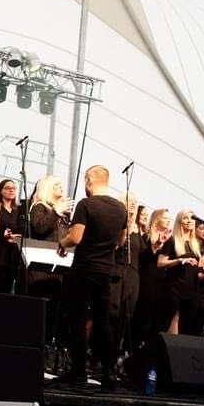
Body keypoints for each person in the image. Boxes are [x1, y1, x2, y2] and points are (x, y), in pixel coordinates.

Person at [57, 165, 128, 386]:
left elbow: (76, 237)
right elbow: (121, 241)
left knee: (78, 319)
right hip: (105, 270)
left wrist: (62, 242)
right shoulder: (121, 209)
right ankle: (109, 372)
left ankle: (78, 372)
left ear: (89, 180)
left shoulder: (86, 204)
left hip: (84, 268)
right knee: (102, 319)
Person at [24, 175, 72, 340]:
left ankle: (48, 344)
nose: (61, 186)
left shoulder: (63, 215)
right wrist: (56, 212)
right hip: (41, 271)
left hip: (57, 269)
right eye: (56, 184)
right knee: (39, 311)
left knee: (54, 313)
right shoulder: (39, 207)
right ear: (47, 188)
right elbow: (40, 228)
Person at [157, 209, 204, 336]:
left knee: (187, 328)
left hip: (191, 290)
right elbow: (160, 263)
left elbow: (194, 272)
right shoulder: (173, 240)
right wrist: (180, 260)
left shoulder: (195, 245)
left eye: (191, 218)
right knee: (164, 324)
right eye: (185, 218)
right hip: (174, 288)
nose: (189, 221)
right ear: (180, 221)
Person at [107, 192, 143, 354]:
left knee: (126, 316)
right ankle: (99, 354)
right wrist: (125, 226)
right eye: (130, 201)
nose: (133, 204)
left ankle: (114, 355)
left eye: (136, 201)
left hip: (133, 276)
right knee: (112, 313)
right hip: (117, 272)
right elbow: (115, 245)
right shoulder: (116, 221)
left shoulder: (137, 228)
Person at [131, 208, 171, 347]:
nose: (168, 221)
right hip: (146, 279)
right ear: (157, 219)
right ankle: (132, 347)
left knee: (155, 317)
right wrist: (157, 244)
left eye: (169, 218)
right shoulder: (146, 237)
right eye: (165, 218)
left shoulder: (170, 240)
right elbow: (142, 258)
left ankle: (147, 347)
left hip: (162, 281)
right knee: (142, 314)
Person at [0, 178, 22, 293]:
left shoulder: (18, 211)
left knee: (7, 285)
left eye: (13, 188)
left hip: (12, 253)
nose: (11, 190)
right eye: (7, 188)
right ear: (1, 191)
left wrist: (16, 237)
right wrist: (2, 233)